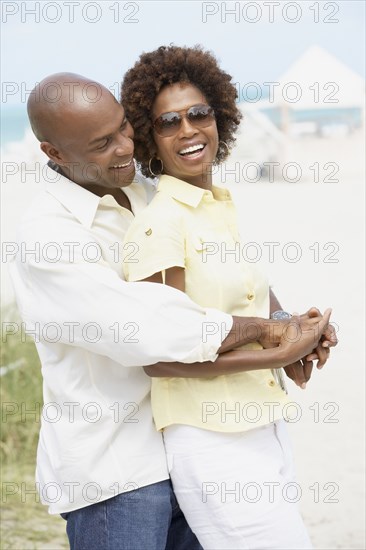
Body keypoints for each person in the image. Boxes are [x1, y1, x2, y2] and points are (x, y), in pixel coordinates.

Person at [9, 73, 334, 550]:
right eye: (103, 143)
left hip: (194, 439)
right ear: (54, 154)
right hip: (119, 470)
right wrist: (269, 337)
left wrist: (293, 326)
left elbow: (224, 270)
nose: (125, 147)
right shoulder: (49, 237)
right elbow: (146, 329)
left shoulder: (148, 191)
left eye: (124, 127)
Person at [121, 45, 336, 549]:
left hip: (265, 424)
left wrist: (296, 328)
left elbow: (253, 302)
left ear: (220, 117)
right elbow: (159, 355)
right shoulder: (161, 223)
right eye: (167, 122)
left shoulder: (214, 208)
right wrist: (278, 350)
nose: (188, 130)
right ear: (150, 141)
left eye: (199, 113)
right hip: (212, 441)